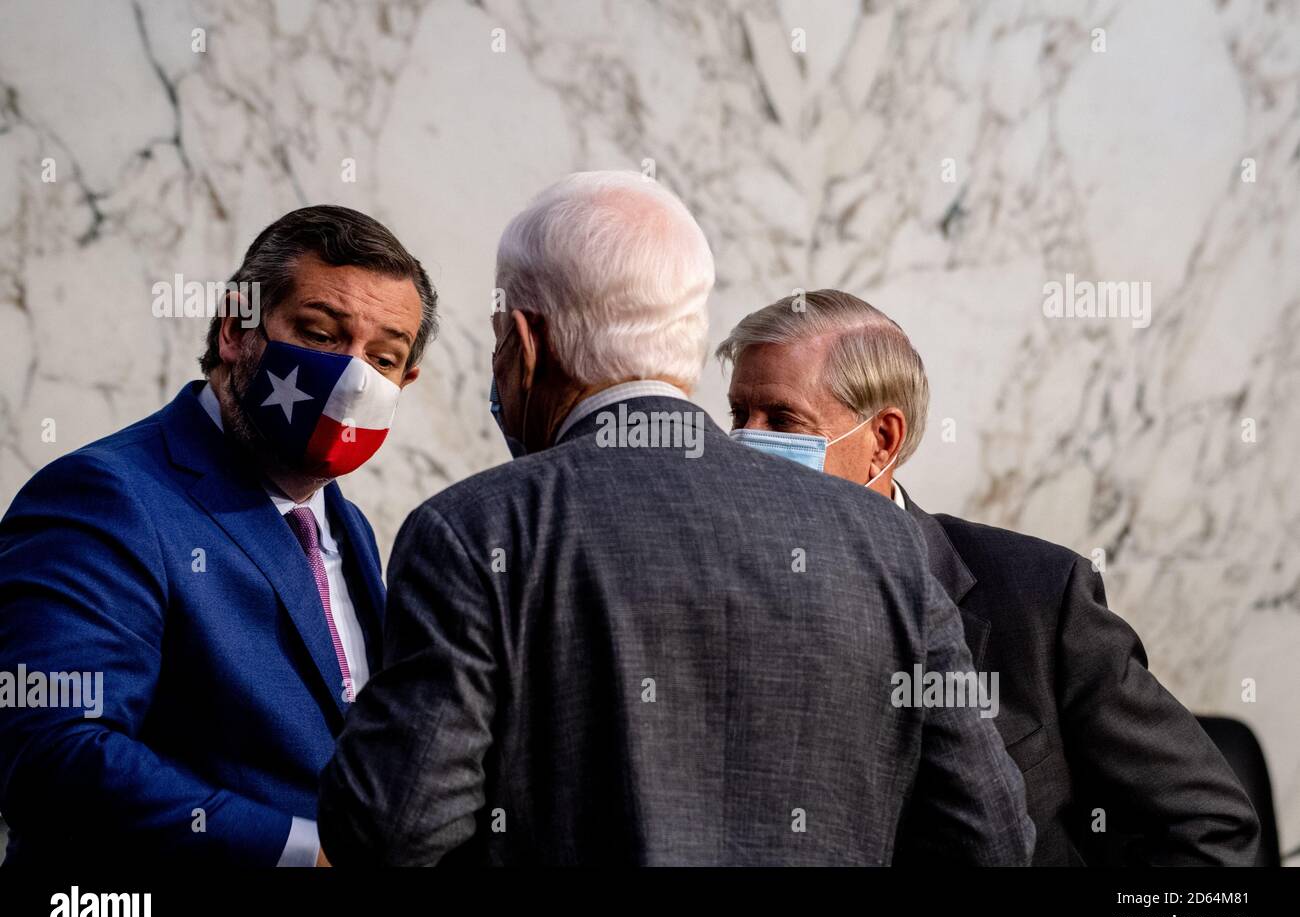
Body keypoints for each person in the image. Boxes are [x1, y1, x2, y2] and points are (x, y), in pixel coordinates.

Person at [317, 173, 1034, 866]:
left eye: (500, 343)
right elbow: (991, 838)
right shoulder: (887, 544)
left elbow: (392, 833)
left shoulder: (475, 532)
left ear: (526, 344)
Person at [717, 288, 1261, 865]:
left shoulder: (1039, 600)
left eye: (782, 420)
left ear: (882, 442)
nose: (747, 443)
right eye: (738, 416)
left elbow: (1210, 830)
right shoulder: (710, 591)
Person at [0, 205, 436, 865]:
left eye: (383, 357)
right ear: (237, 328)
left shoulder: (345, 525)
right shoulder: (106, 496)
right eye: (320, 335)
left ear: (407, 382)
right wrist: (300, 853)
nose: (352, 378)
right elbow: (52, 749)